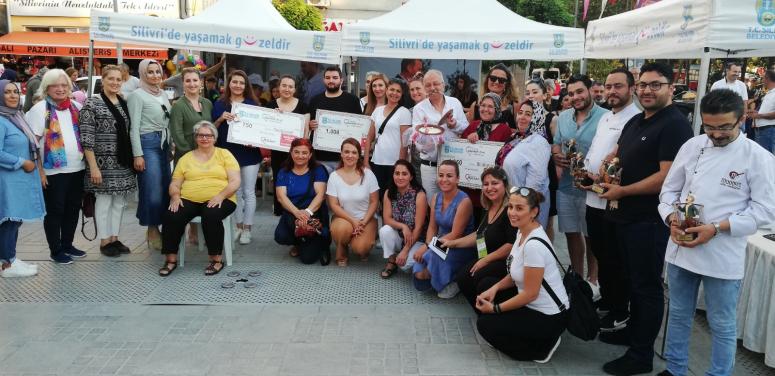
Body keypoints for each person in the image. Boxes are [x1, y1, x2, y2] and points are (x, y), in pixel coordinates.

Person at [656, 89, 775, 376]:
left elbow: (766, 212)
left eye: (724, 127)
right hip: (682, 247)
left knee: (721, 323)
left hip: (722, 253)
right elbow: (669, 190)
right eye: (709, 126)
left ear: (742, 119)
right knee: (679, 314)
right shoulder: (693, 146)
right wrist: (671, 216)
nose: (716, 134)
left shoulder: (758, 157)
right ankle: (675, 369)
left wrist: (718, 228)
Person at [599, 62, 693, 376]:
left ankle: (641, 356)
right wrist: (607, 165)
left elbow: (667, 177)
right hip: (624, 216)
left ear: (671, 86)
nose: (647, 90)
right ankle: (633, 334)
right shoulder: (638, 120)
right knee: (631, 281)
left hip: (648, 220)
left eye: (655, 84)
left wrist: (623, 191)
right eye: (643, 84)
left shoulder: (675, 124)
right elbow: (617, 155)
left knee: (646, 286)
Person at [475, 186, 568, 363]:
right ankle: (518, 331)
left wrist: (495, 309)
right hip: (531, 303)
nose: (512, 213)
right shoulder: (522, 230)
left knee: (486, 325)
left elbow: (530, 294)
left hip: (549, 317)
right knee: (486, 285)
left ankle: (541, 348)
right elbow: (516, 274)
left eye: (519, 208)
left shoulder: (533, 245)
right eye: (510, 207)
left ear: (534, 212)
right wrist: (494, 288)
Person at [580, 68, 641, 335]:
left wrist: (601, 176)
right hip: (591, 195)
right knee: (602, 254)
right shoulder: (607, 117)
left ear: (631, 88)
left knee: (615, 257)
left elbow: (624, 160)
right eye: (608, 86)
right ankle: (607, 298)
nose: (612, 91)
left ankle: (619, 311)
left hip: (611, 199)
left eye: (618, 86)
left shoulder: (636, 119)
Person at [158, 121, 240, 277]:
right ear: (196, 138)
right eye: (201, 135)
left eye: (208, 135)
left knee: (211, 214)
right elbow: (175, 183)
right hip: (189, 198)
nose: (205, 138)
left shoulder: (224, 154)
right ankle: (170, 260)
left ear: (214, 138)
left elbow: (235, 181)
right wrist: (175, 196)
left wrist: (220, 195)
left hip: (222, 198)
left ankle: (216, 260)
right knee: (171, 215)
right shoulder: (186, 158)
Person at [551, 74, 609, 286]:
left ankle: (593, 280)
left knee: (590, 235)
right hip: (567, 185)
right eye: (571, 93)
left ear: (590, 90)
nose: (576, 97)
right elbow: (556, 143)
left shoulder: (606, 116)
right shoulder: (564, 117)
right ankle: (576, 279)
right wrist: (556, 154)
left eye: (580, 91)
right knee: (571, 234)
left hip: (591, 188)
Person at [25, 69, 86, 264]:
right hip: (53, 171)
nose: (60, 89)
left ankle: (68, 245)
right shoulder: (39, 109)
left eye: (63, 85)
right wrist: (40, 171)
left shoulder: (76, 106)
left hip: (77, 168)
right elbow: (32, 144)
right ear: (46, 88)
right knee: (56, 210)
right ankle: (56, 249)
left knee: (73, 208)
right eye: (55, 85)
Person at [80, 65, 137, 257]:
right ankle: (104, 241)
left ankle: (114, 237)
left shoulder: (123, 101)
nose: (114, 82)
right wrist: (93, 167)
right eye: (110, 79)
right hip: (101, 164)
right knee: (104, 202)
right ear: (103, 80)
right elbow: (87, 138)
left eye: (118, 79)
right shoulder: (91, 104)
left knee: (119, 203)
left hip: (122, 162)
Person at [452, 166, 516, 311]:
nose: (489, 188)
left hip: (505, 261)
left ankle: (490, 313)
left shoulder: (509, 210)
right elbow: (479, 235)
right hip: (487, 256)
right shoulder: (489, 207)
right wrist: (452, 243)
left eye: (494, 183)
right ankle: (481, 311)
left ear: (504, 185)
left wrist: (485, 260)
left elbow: (511, 245)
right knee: (462, 277)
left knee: (478, 277)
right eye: (486, 184)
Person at [412, 160, 476, 299]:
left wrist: (429, 247)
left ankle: (456, 280)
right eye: (441, 175)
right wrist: (426, 245)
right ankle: (438, 276)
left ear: (457, 179)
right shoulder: (436, 197)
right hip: (439, 241)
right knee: (419, 271)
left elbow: (455, 234)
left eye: (449, 176)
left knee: (429, 257)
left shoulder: (464, 201)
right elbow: (432, 227)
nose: (444, 179)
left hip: (459, 246)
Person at [0, 79, 45, 277]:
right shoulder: (1, 120)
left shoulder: (16, 117)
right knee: (8, 221)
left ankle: (11, 258)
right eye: (7, 92)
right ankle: (7, 264)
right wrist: (22, 162)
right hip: (8, 180)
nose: (12, 96)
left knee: (15, 220)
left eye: (15, 92)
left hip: (19, 180)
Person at [127, 59, 172, 251]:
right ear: (143, 74)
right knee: (152, 190)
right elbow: (133, 128)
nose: (155, 75)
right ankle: (152, 228)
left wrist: (171, 145)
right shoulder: (137, 95)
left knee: (165, 188)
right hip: (147, 144)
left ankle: (162, 226)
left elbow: (167, 120)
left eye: (158, 71)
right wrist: (138, 154)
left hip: (163, 145)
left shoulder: (162, 94)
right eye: (150, 72)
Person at [213, 70, 261, 245]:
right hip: (227, 154)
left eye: (242, 82)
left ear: (245, 85)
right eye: (235, 82)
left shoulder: (252, 104)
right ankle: (238, 226)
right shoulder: (219, 104)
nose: (238, 85)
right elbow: (211, 131)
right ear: (229, 84)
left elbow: (260, 131)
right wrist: (219, 120)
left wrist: (253, 142)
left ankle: (247, 228)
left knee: (248, 192)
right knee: (235, 192)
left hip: (249, 155)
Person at [411, 69, 468, 202]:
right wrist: (429, 140)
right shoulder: (419, 108)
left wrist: (454, 125)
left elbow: (466, 128)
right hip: (430, 165)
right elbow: (417, 141)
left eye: (436, 84)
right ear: (424, 88)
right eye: (428, 85)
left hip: (453, 165)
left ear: (443, 85)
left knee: (453, 204)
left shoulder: (455, 103)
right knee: (433, 205)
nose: (432, 88)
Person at [274, 138, 331, 265]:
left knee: (308, 259)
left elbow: (321, 195)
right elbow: (281, 197)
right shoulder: (284, 171)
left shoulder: (318, 170)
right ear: (291, 153)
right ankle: (298, 241)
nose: (300, 156)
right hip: (292, 211)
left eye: (304, 153)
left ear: (310, 155)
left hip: (313, 213)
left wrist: (307, 212)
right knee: (281, 236)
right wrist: (297, 213)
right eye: (297, 152)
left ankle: (311, 239)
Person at [327, 138, 379, 266]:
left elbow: (374, 201)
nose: (350, 155)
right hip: (344, 219)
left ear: (358, 155)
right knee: (341, 230)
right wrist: (353, 221)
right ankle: (342, 247)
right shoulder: (334, 176)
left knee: (361, 248)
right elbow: (333, 205)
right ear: (341, 154)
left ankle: (365, 241)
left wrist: (363, 222)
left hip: (365, 219)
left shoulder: (368, 175)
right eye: (346, 152)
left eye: (354, 152)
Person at [460, 92, 513, 219]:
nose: (485, 109)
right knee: (469, 226)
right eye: (483, 105)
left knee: (485, 229)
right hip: (470, 189)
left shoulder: (504, 129)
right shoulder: (473, 125)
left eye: (490, 106)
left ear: (497, 109)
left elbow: (505, 157)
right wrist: (468, 139)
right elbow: (461, 151)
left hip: (491, 191)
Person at [500, 100, 551, 228]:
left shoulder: (539, 142)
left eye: (528, 114)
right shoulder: (517, 137)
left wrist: (521, 209)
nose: (522, 117)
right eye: (520, 112)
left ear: (537, 118)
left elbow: (535, 185)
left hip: (525, 210)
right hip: (512, 204)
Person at [267, 75, 309, 216]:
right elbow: (264, 128)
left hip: (298, 154)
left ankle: (297, 213)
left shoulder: (303, 106)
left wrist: (302, 151)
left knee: (297, 181)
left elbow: (305, 132)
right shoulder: (270, 106)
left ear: (294, 89)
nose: (287, 89)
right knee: (280, 181)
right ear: (278, 87)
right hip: (278, 153)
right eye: (284, 85)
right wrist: (273, 117)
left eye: (290, 86)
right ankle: (280, 213)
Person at [308, 66, 363, 173]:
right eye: (328, 78)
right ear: (323, 80)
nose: (331, 81)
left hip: (345, 159)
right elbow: (309, 125)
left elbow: (359, 129)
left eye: (335, 77)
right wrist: (310, 125)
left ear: (341, 80)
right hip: (320, 158)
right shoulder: (315, 100)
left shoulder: (352, 100)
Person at [523, 78, 559, 241]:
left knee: (546, 221)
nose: (530, 96)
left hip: (546, 175)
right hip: (526, 174)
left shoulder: (552, 119)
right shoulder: (524, 118)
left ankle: (546, 255)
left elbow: (557, 148)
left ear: (545, 95)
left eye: (535, 92)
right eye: (527, 92)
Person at [378, 160, 427, 278]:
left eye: (404, 174)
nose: (400, 177)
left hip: (417, 238)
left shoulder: (419, 195)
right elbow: (387, 219)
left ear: (411, 177)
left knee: (405, 266)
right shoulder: (389, 192)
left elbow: (419, 227)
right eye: (397, 173)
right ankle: (391, 261)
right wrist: (403, 226)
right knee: (385, 230)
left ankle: (412, 257)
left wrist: (405, 250)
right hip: (400, 235)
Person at [368, 78, 412, 199]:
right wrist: (366, 161)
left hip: (394, 164)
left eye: (398, 91)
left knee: (392, 197)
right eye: (392, 89)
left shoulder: (404, 112)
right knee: (378, 197)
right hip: (377, 161)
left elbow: (405, 142)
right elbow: (369, 137)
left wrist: (400, 165)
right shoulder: (377, 111)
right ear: (386, 90)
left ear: (402, 94)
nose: (394, 93)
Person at [170, 68, 213, 163]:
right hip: (186, 156)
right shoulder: (178, 105)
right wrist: (191, 155)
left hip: (207, 154)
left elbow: (211, 128)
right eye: (188, 81)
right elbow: (177, 134)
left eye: (195, 80)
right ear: (183, 83)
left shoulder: (208, 103)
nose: (192, 84)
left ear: (201, 82)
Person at [472, 63, 518, 128]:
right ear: (487, 80)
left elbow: (520, 132)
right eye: (493, 78)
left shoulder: (514, 105)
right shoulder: (476, 105)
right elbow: (469, 130)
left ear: (507, 84)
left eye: (501, 80)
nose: (496, 82)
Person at [747, 69, 775, 153]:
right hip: (762, 131)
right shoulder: (770, 93)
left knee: (766, 159)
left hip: (768, 131)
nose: (762, 81)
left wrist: (759, 116)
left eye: (762, 78)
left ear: (767, 79)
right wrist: (757, 113)